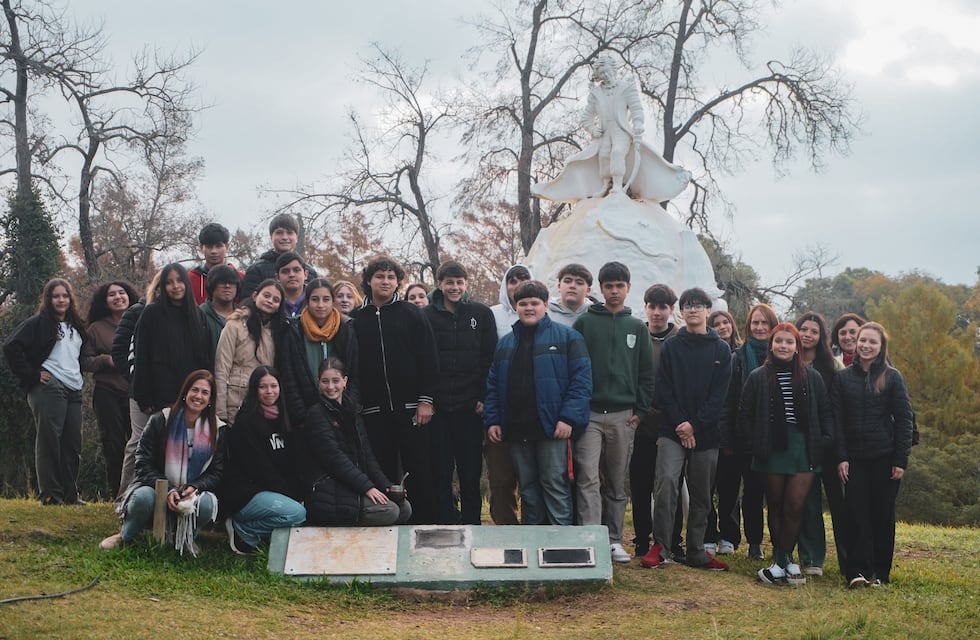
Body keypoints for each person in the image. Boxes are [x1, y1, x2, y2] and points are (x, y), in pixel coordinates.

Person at [484, 280, 592, 525]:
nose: (529, 308)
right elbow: (493, 386)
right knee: (528, 490)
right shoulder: (506, 343)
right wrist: (493, 420)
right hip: (516, 428)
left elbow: (581, 382)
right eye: (523, 303)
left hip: (552, 428)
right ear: (516, 306)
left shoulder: (568, 338)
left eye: (534, 303)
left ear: (545, 305)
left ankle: (560, 546)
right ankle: (535, 545)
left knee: (555, 485)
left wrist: (568, 418)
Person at [641, 287, 732, 570]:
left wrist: (694, 425)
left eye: (698, 305)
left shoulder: (721, 349)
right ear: (681, 311)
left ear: (708, 310)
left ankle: (696, 550)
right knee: (666, 483)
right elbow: (663, 389)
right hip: (672, 429)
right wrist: (682, 424)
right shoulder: (672, 346)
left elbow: (719, 395)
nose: (692, 310)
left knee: (702, 492)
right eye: (688, 305)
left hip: (705, 433)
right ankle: (662, 546)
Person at [737, 323, 833, 585]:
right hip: (772, 448)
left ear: (796, 347)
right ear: (772, 344)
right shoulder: (758, 376)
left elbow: (825, 413)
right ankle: (782, 562)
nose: (784, 346)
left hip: (804, 448)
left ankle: (785, 557)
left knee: (795, 505)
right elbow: (744, 415)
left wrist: (824, 440)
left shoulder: (811, 377)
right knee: (776, 504)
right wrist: (754, 444)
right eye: (779, 341)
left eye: (789, 342)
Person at [572, 262, 655, 563]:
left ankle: (613, 539)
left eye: (620, 285)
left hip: (624, 414)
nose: (615, 291)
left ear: (628, 289)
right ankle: (590, 537)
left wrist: (640, 411)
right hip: (590, 414)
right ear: (601, 289)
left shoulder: (637, 328)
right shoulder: (584, 323)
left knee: (617, 481)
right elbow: (574, 367)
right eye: (609, 286)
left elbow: (647, 373)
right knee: (588, 478)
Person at [350, 255, 439, 524]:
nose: (385, 281)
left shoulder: (412, 314)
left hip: (411, 408)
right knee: (383, 471)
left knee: (420, 469)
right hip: (373, 410)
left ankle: (425, 524)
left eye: (391, 277)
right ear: (369, 280)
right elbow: (351, 365)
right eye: (380, 276)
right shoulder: (355, 318)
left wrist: (425, 400)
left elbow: (429, 358)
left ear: (398, 282)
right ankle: (391, 524)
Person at [531, 54, 689, 203]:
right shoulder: (596, 93)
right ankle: (606, 185)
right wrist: (593, 130)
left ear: (613, 70)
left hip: (621, 131)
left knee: (618, 152)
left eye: (607, 72)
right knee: (604, 156)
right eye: (602, 74)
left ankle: (619, 186)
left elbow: (636, 109)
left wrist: (638, 125)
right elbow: (586, 117)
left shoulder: (626, 88)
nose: (605, 76)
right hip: (605, 133)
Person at [99, 370, 227, 555]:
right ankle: (126, 535)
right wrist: (169, 490)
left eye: (205, 392)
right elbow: (142, 462)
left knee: (207, 504)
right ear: (185, 393)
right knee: (142, 498)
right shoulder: (161, 420)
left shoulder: (218, 430)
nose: (198, 396)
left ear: (210, 399)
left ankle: (186, 538)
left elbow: (217, 471)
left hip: (191, 493)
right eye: (194, 390)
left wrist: (194, 486)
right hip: (156, 488)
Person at [833, 322, 913, 588]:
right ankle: (857, 571)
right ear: (856, 343)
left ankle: (881, 572)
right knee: (856, 514)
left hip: (884, 457)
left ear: (881, 347)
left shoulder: (892, 377)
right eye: (862, 340)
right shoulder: (843, 378)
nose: (866, 346)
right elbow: (838, 422)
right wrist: (841, 457)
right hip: (854, 458)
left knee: (882, 515)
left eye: (872, 342)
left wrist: (900, 460)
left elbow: (904, 420)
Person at [423, 261, 497, 525]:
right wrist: (427, 400)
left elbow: (489, 359)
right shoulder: (426, 315)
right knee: (441, 472)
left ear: (466, 284)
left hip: (470, 409)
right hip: (439, 409)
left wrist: (483, 398)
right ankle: (444, 524)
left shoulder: (481, 314)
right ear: (439, 284)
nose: (454, 287)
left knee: (470, 473)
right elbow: (422, 362)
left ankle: (471, 524)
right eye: (449, 282)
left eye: (459, 282)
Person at [4, 279, 88, 506]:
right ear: (48, 299)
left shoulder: (76, 326)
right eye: (56, 296)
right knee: (50, 440)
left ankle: (70, 495)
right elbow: (11, 347)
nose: (61, 300)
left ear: (70, 299)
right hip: (49, 387)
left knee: (72, 443)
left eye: (65, 296)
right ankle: (51, 495)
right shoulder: (38, 323)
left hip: (74, 388)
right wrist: (32, 375)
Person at [303, 357, 412, 526]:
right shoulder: (316, 414)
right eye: (325, 381)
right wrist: (367, 487)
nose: (330, 387)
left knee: (405, 508)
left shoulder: (352, 410)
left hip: (353, 486)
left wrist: (385, 486)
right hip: (330, 490)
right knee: (391, 511)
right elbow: (335, 460)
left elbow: (367, 455)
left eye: (335, 381)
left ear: (345, 381)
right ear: (318, 383)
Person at [219, 366, 306, 554]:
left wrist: (299, 492)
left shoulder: (285, 419)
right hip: (246, 494)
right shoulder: (246, 423)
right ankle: (243, 530)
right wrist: (291, 496)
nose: (269, 392)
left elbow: (291, 464)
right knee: (297, 513)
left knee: (304, 510)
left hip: (273, 491)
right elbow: (261, 470)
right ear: (254, 390)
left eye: (274, 386)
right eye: (262, 387)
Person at [716, 303, 778, 560]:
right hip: (739, 436)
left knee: (758, 493)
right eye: (755, 323)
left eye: (765, 323)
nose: (760, 328)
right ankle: (736, 539)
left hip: (770, 438)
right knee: (732, 491)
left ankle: (760, 542)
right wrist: (727, 439)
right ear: (748, 326)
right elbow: (727, 402)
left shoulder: (781, 356)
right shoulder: (738, 357)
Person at [631, 284, 685, 560]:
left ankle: (673, 540)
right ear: (646, 307)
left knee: (669, 485)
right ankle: (642, 538)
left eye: (663, 307)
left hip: (671, 423)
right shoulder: (638, 334)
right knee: (640, 484)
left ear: (671, 310)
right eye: (652, 306)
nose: (657, 312)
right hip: (640, 422)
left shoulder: (680, 339)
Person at [795, 311, 847, 577]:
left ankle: (850, 558)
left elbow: (839, 408)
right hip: (801, 444)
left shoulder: (832, 367)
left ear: (821, 336)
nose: (807, 334)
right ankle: (811, 557)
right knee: (808, 502)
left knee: (840, 504)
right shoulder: (788, 361)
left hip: (830, 443)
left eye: (814, 331)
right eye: (803, 329)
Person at [80, 280, 139, 497]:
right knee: (114, 445)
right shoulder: (96, 328)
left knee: (139, 444)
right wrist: (105, 360)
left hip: (136, 393)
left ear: (129, 295)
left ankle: (138, 492)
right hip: (107, 393)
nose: (117, 297)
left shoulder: (140, 322)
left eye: (121, 292)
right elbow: (84, 361)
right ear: (105, 301)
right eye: (111, 294)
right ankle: (117, 494)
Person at [131, 264, 212, 417]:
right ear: (162, 286)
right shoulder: (151, 313)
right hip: (161, 396)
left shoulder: (198, 315)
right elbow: (141, 356)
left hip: (193, 397)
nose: (175, 286)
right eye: (169, 282)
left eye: (180, 281)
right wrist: (144, 398)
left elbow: (205, 359)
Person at [486, 264, 533, 525]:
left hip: (532, 413)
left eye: (523, 279)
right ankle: (505, 529)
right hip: (500, 409)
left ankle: (531, 531)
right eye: (512, 280)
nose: (517, 284)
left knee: (530, 477)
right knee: (502, 479)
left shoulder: (541, 316)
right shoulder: (492, 315)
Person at [111, 271, 162, 504]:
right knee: (139, 440)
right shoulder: (137, 311)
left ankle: (157, 498)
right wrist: (133, 378)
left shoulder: (182, 314)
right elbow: (120, 349)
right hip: (140, 389)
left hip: (171, 390)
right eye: (163, 284)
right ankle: (124, 497)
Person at [278, 278, 358, 427]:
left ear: (332, 301)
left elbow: (354, 372)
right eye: (315, 299)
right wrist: (304, 415)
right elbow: (289, 377)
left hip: (342, 413)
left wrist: (347, 410)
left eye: (326, 299)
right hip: (307, 414)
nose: (320, 305)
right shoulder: (295, 330)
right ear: (307, 301)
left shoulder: (346, 328)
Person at [215, 279, 285, 426]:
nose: (270, 301)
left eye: (276, 299)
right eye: (266, 295)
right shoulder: (235, 325)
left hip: (265, 403)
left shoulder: (279, 332)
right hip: (236, 399)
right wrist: (220, 411)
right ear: (255, 296)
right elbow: (221, 368)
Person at [241, 213, 317, 298]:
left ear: (296, 237)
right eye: (279, 233)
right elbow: (247, 302)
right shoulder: (256, 270)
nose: (285, 237)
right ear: (271, 236)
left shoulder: (310, 272)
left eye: (289, 233)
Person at [188, 222, 244, 305]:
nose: (214, 251)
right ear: (201, 248)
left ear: (227, 246)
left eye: (218, 246)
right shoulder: (190, 279)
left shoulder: (240, 278)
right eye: (209, 247)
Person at [200, 265, 242, 364]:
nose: (227, 286)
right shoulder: (199, 315)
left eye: (232, 282)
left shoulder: (245, 317)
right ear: (212, 285)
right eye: (222, 282)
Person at [275, 251, 310, 318]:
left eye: (296, 270)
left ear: (305, 274)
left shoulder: (316, 299)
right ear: (277, 277)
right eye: (285, 271)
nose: (291, 275)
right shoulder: (271, 302)